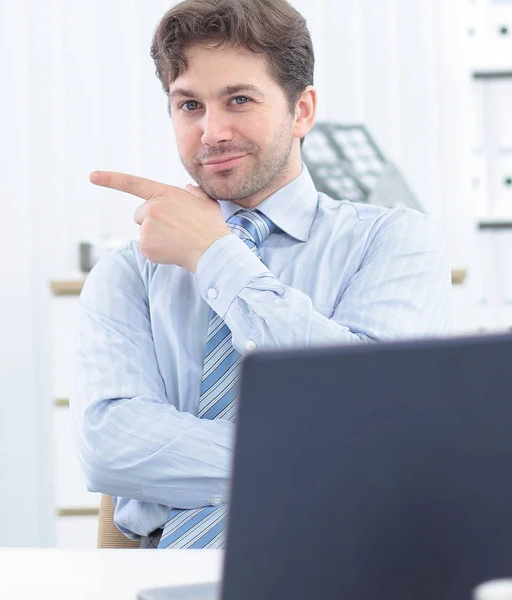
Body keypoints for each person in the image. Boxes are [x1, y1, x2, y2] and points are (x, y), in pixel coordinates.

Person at [70, 0, 452, 549]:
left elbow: (373, 402)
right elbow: (111, 448)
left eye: (240, 100)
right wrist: (335, 456)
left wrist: (213, 252)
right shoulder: (129, 272)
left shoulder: (393, 241)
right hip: (162, 570)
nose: (212, 131)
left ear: (302, 111)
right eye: (189, 106)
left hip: (341, 563)